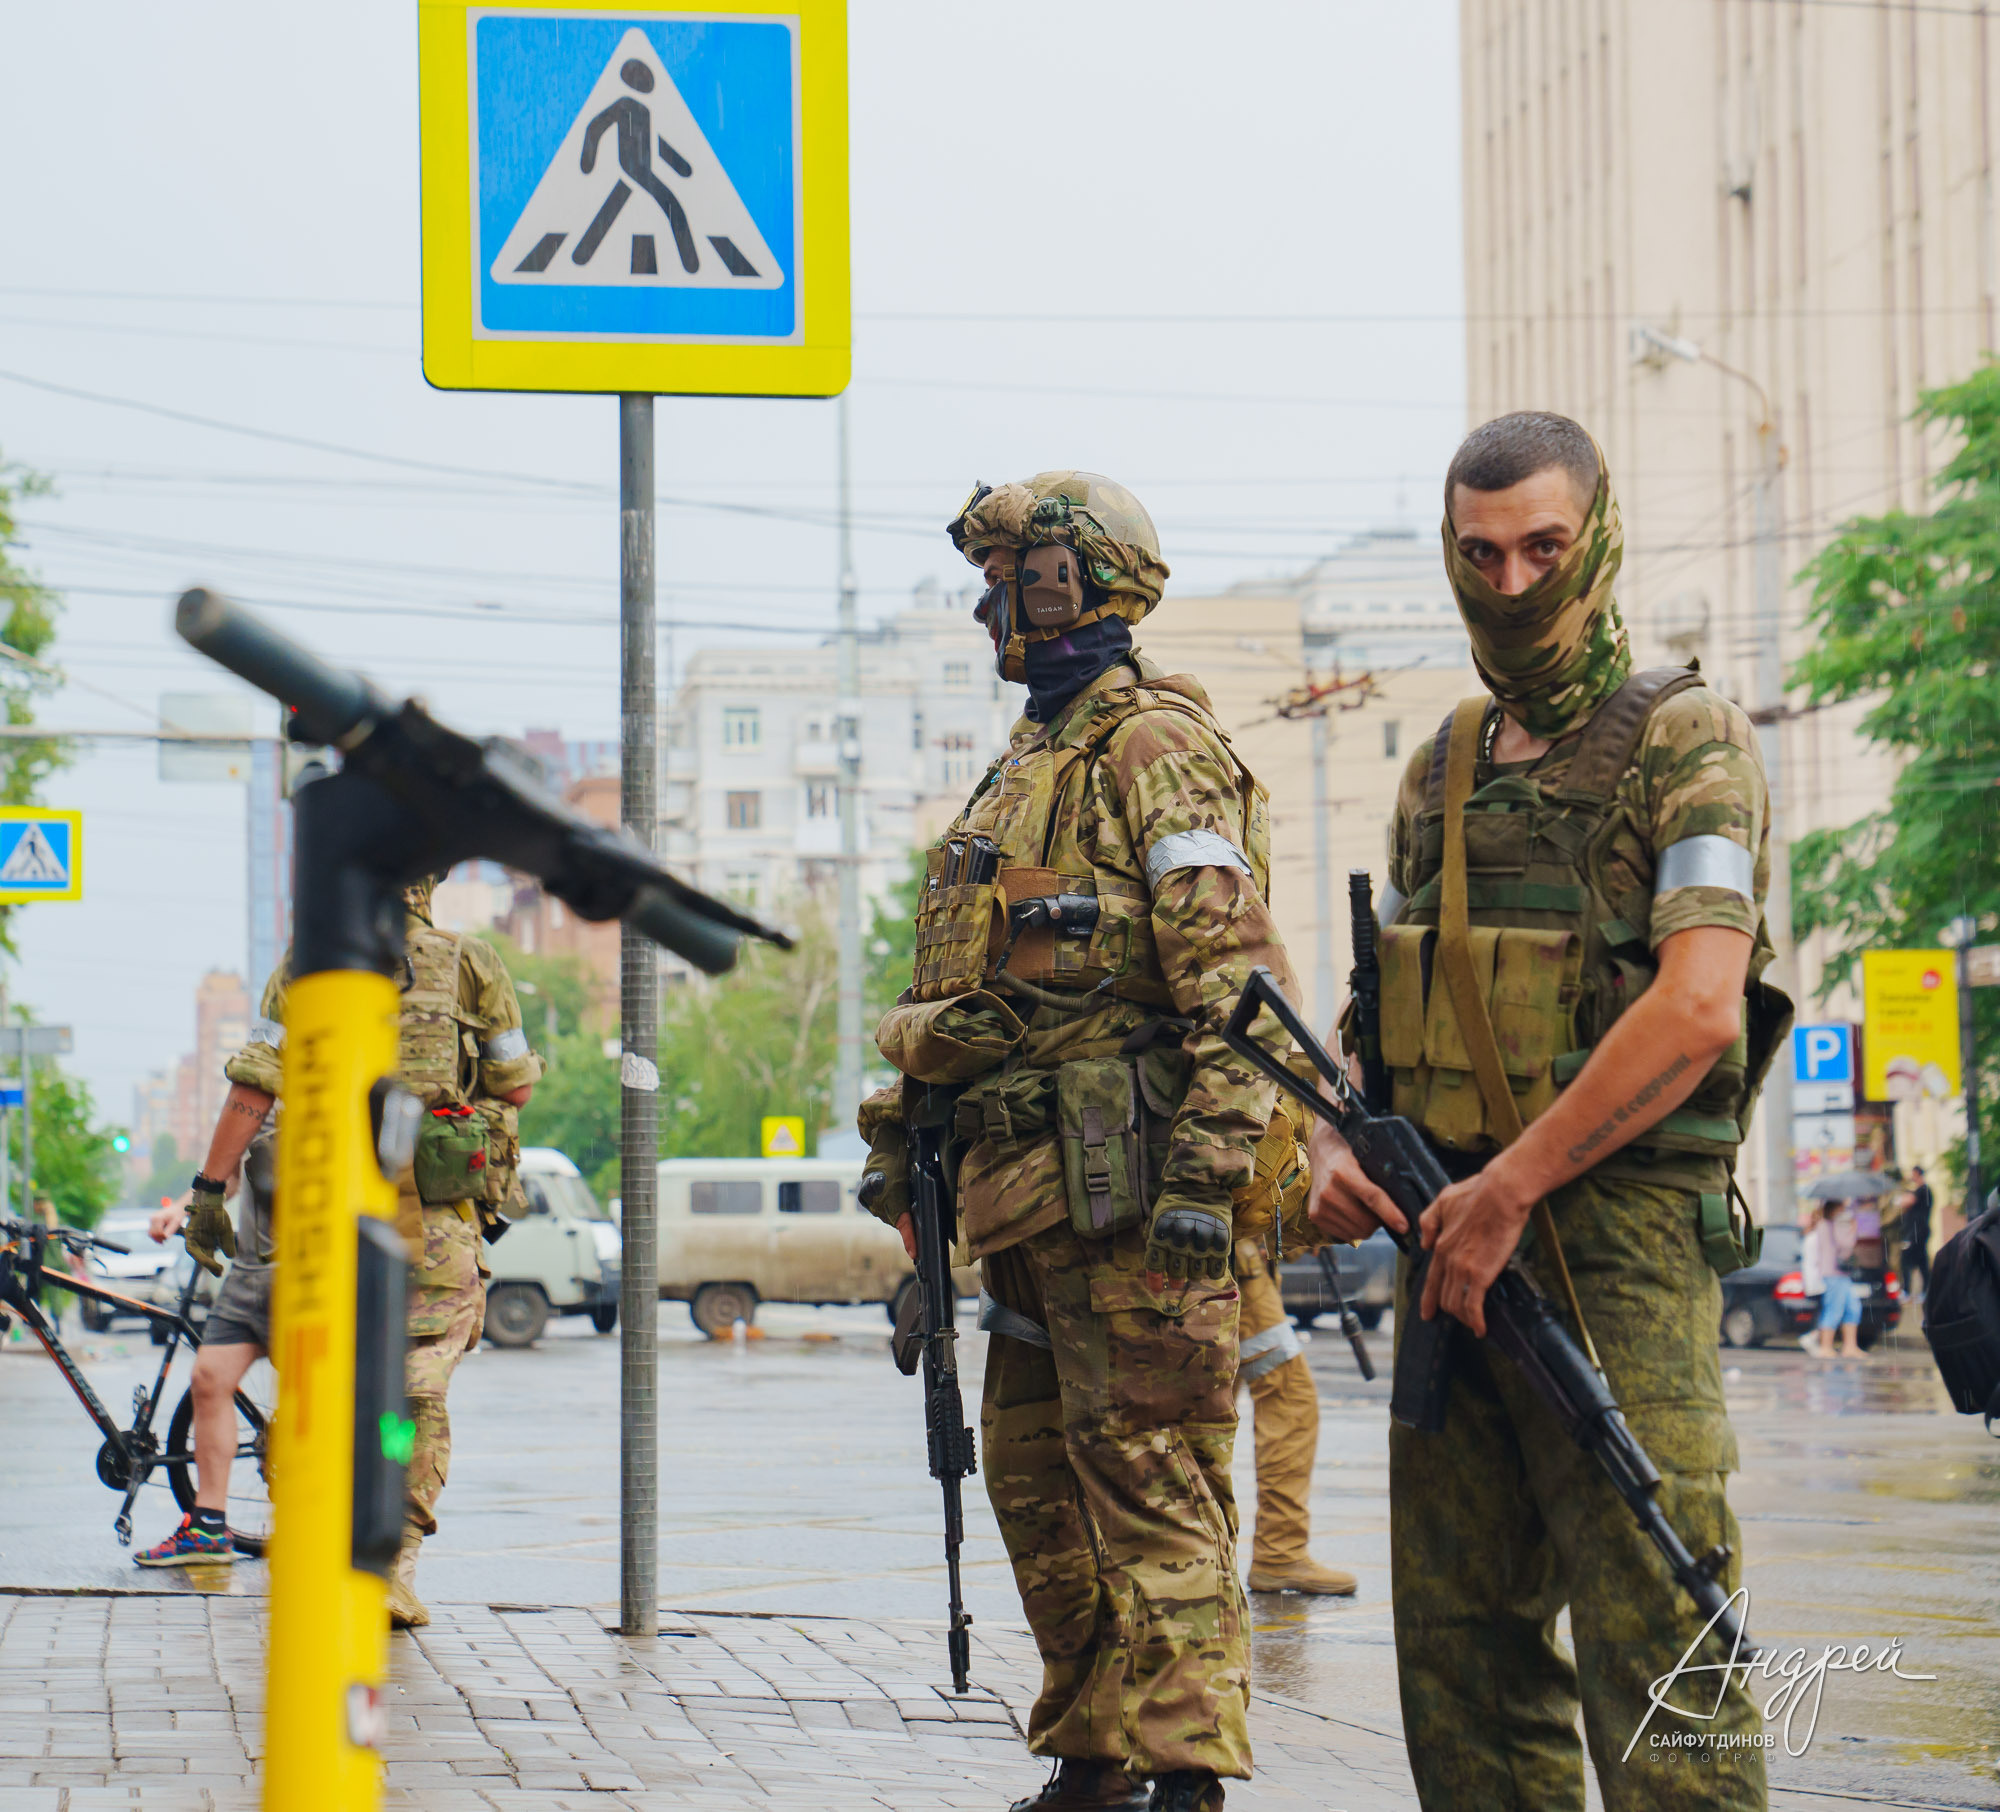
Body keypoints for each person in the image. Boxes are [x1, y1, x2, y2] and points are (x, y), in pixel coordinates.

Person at [1307, 412, 1785, 1812]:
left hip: (1616, 1246)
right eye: (1479, 555)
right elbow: (1374, 1010)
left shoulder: (1688, 741)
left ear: (1600, 538)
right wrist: (1335, 1140)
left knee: (1659, 1643)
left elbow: (1699, 1005)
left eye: (1542, 549)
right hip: (1451, 1241)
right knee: (1460, 1660)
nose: (1511, 585)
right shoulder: (1440, 771)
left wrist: (1511, 1186)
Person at [859, 472, 1306, 1812]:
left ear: (1070, 582)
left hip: (1133, 1199)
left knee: (1154, 1483)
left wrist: (1203, 1188)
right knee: (1038, 1484)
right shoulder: (1021, 769)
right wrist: (905, 1169)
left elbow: (1229, 989)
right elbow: (963, 999)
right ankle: (1093, 1750)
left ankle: (1187, 1774)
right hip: (1018, 1199)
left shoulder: (1153, 746)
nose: (989, 602)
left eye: (1009, 576)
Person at [143, 876, 541, 1625]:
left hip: (325, 1224)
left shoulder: (308, 966)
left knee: (322, 1387)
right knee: (414, 1394)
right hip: (431, 1227)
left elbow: (253, 1089)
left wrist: (206, 1192)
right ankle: (390, 1563)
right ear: (431, 886)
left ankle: (310, 1536)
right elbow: (514, 1085)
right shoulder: (472, 962)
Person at [1232, 1234, 1355, 1596]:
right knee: (1289, 1397)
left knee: (1207, 1415)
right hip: (1236, 1267)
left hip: (1236, 1262)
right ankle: (1278, 1552)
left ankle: (1220, 1555)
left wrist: (1304, 1233)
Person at [1803, 1203, 1865, 1359]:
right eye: (1841, 1208)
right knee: (1834, 1309)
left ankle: (1850, 1346)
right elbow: (1845, 1247)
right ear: (1834, 1210)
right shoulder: (1829, 1226)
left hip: (1840, 1274)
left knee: (1853, 1307)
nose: (1844, 1212)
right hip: (1833, 1273)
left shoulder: (1827, 1225)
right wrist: (1853, 1230)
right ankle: (1825, 1347)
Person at [1898, 1166, 1934, 1299]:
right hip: (1915, 1231)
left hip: (1917, 1232)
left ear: (1917, 1174)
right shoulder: (1921, 1191)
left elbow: (1905, 1201)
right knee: (1919, 1260)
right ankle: (1920, 1290)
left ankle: (1911, 1291)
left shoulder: (1923, 1190)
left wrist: (1903, 1193)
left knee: (1911, 1260)